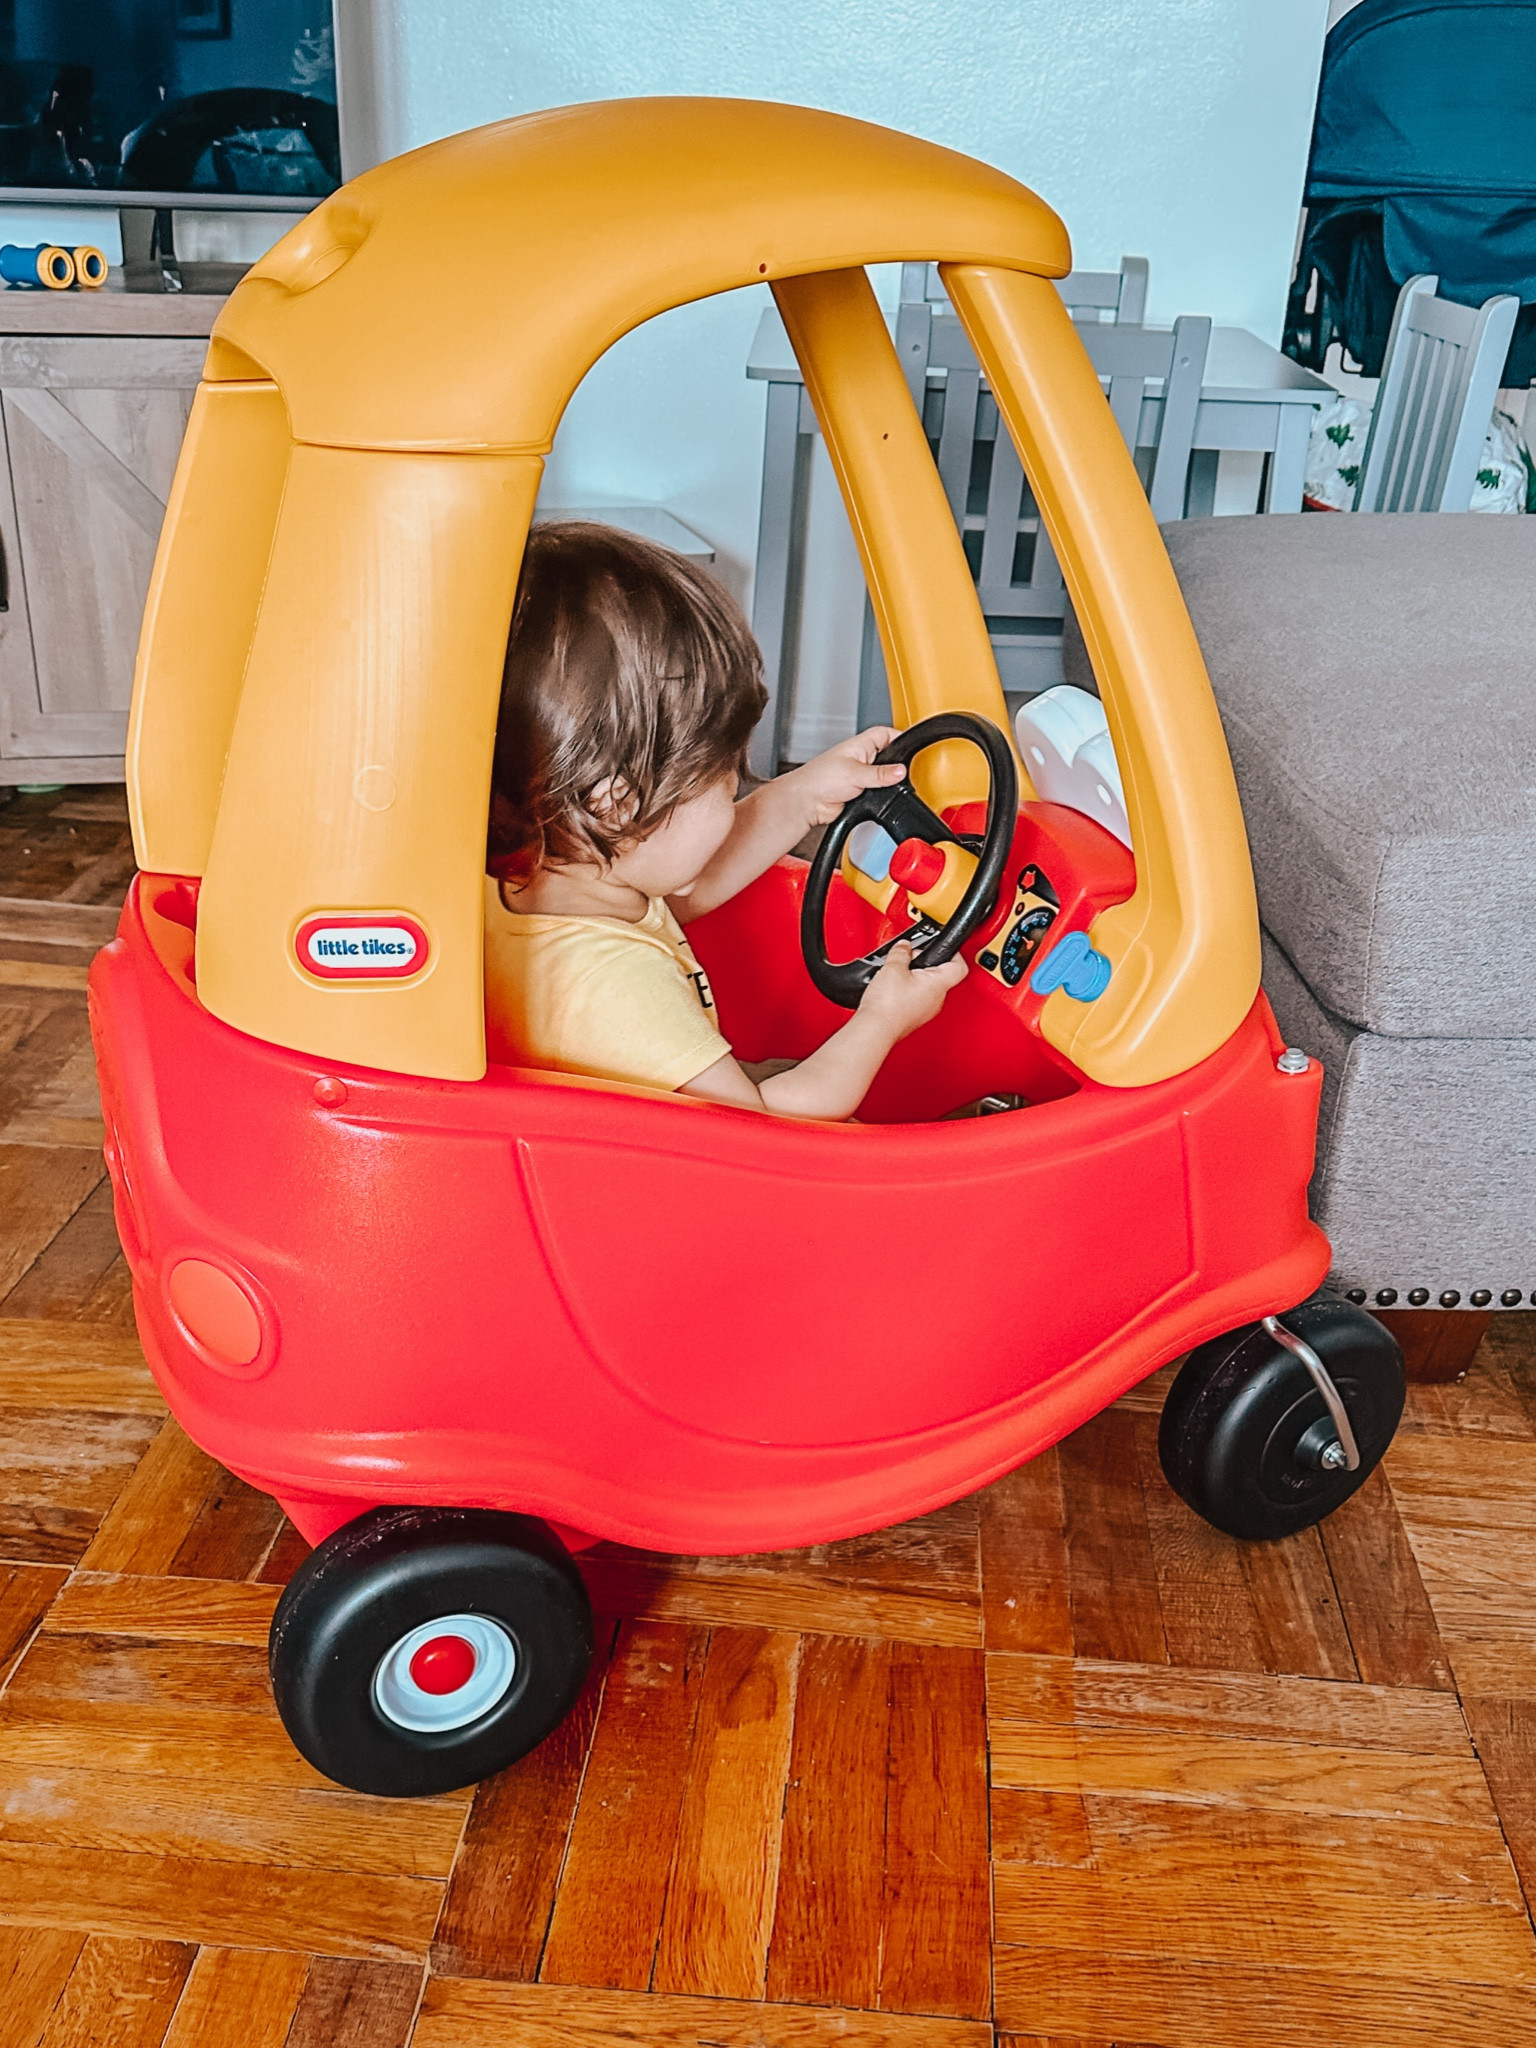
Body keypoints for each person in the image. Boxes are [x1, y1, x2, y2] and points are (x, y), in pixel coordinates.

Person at [485, 521, 966, 1118]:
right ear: (617, 803)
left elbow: (684, 890)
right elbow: (756, 1131)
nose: (739, 785)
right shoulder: (615, 989)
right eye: (727, 775)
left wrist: (803, 796)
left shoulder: (558, 881)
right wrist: (883, 1020)